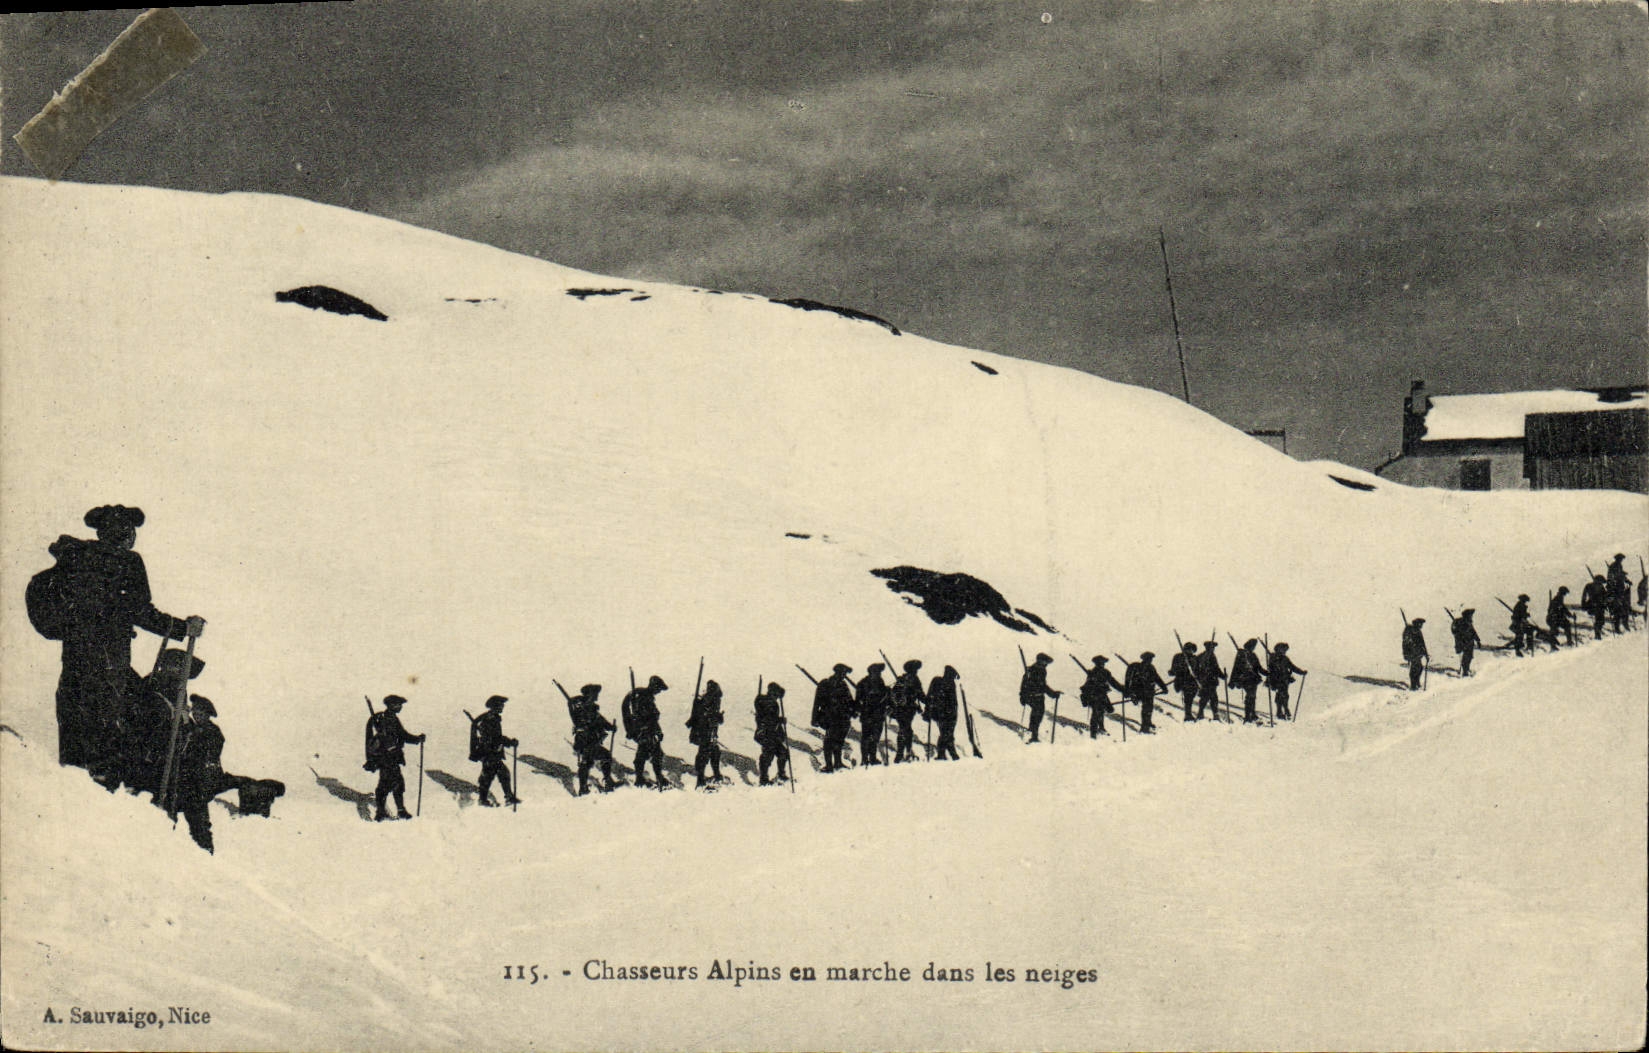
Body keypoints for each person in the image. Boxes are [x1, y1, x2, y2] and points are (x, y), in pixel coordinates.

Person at [35, 505, 204, 779]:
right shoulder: (127, 562)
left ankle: (75, 793)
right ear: (127, 535)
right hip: (108, 663)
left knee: (75, 733)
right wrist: (183, 628)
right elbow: (141, 611)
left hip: (75, 661)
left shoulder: (76, 558)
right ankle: (112, 793)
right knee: (112, 729)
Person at [117, 646, 204, 797]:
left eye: (183, 672)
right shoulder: (151, 692)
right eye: (177, 669)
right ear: (166, 667)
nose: (181, 678)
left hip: (168, 767)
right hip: (145, 764)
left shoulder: (178, 695)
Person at [173, 695, 238, 853]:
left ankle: (205, 849)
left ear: (208, 715)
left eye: (200, 713)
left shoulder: (212, 732)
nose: (196, 716)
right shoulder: (195, 729)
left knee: (198, 817)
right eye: (194, 712)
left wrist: (187, 724)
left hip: (202, 781)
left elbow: (200, 749)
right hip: (189, 780)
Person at [364, 694, 425, 821]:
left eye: (400, 705)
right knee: (385, 784)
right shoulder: (379, 719)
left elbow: (402, 735)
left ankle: (398, 810)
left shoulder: (393, 719)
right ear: (390, 705)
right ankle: (381, 812)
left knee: (397, 783)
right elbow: (371, 741)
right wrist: (373, 757)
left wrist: (417, 739)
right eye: (398, 705)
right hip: (384, 758)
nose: (400, 707)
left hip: (394, 757)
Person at [622, 676, 670, 789]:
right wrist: (633, 730)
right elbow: (646, 717)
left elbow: (652, 718)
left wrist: (658, 731)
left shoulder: (646, 697)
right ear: (654, 686)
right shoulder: (643, 697)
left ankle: (650, 778)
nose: (659, 692)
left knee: (650, 753)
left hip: (649, 731)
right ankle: (648, 778)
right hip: (645, 731)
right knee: (650, 754)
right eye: (658, 689)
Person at [470, 695, 519, 807]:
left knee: (493, 775)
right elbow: (493, 738)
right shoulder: (489, 719)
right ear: (495, 706)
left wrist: (508, 742)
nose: (503, 707)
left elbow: (497, 737)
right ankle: (505, 798)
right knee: (495, 775)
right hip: (489, 753)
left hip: (492, 753)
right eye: (501, 705)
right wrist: (510, 742)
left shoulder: (492, 718)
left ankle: (503, 798)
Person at [570, 685, 618, 795]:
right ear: (590, 695)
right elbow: (581, 721)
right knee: (600, 757)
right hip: (584, 740)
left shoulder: (591, 708)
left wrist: (610, 727)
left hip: (591, 740)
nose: (597, 696)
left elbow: (601, 720)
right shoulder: (579, 709)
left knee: (588, 761)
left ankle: (585, 788)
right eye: (595, 694)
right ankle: (606, 783)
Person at [811, 664, 857, 772]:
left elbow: (849, 700)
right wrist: (814, 718)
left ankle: (838, 762)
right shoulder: (825, 684)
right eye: (842, 673)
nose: (844, 676)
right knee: (829, 741)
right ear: (837, 672)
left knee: (839, 740)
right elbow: (817, 702)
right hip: (830, 717)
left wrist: (854, 710)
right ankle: (829, 765)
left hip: (843, 717)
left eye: (845, 674)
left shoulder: (843, 685)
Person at [686, 679, 726, 788]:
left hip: (707, 733)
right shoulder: (709, 700)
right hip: (705, 733)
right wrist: (718, 717)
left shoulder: (706, 699)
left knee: (715, 753)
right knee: (703, 755)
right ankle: (700, 781)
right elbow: (708, 717)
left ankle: (716, 776)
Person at [753, 682, 790, 785]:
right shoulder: (764, 701)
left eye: (778, 696)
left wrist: (779, 723)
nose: (777, 698)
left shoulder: (772, 702)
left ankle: (781, 775)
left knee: (783, 753)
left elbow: (772, 718)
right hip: (765, 733)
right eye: (776, 695)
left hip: (774, 734)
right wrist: (779, 720)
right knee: (768, 755)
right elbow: (767, 718)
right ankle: (764, 779)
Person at [1019, 653, 1060, 744]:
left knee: (1035, 715)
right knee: (1037, 716)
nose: (1046, 665)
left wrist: (1022, 696)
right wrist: (1053, 694)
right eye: (1045, 662)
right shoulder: (1040, 670)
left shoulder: (1030, 669)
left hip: (1031, 696)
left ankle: (1031, 731)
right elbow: (1042, 686)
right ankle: (1034, 736)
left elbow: (1023, 683)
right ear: (1041, 661)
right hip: (1037, 697)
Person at [890, 660, 926, 762]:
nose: (917, 671)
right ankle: (903, 754)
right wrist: (929, 701)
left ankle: (902, 754)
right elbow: (920, 695)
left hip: (898, 710)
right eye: (916, 669)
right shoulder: (914, 679)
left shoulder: (901, 679)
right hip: (908, 709)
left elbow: (894, 694)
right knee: (906, 730)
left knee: (905, 729)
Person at [1079, 656, 1123, 737]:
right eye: (1100, 663)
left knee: (1102, 711)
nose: (1101, 665)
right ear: (1096, 664)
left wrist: (1122, 689)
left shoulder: (1105, 672)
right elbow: (1087, 685)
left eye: (1102, 663)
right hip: (1094, 696)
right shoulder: (1093, 673)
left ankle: (1101, 728)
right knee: (1096, 713)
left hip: (1102, 695)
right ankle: (1093, 734)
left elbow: (1113, 682)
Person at [855, 663, 890, 765]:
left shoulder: (880, 682)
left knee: (876, 737)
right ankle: (864, 759)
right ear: (871, 672)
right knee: (866, 737)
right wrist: (862, 709)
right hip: (867, 715)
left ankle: (873, 758)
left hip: (879, 715)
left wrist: (887, 692)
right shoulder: (862, 683)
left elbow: (884, 698)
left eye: (879, 672)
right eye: (877, 672)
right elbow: (858, 701)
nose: (879, 674)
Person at [1124, 652, 1166, 734]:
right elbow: (1128, 680)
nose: (1150, 661)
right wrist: (1127, 691)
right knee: (1146, 709)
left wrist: (1164, 687)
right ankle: (1144, 728)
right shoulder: (1136, 667)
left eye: (1150, 659)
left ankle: (1148, 722)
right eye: (1149, 659)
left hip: (1148, 691)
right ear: (1144, 659)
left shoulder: (1150, 667)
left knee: (1149, 708)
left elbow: (1157, 678)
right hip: (1140, 691)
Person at [926, 666, 961, 760]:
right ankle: (949, 755)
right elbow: (950, 702)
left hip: (943, 715)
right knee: (946, 734)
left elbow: (930, 696)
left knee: (946, 734)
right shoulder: (947, 683)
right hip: (947, 715)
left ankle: (947, 754)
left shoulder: (938, 681)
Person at [1266, 643, 1307, 719]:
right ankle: (1281, 711)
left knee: (1285, 695)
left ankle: (1284, 709)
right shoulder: (1273, 657)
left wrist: (1301, 672)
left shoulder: (1285, 659)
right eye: (1283, 650)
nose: (1285, 651)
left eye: (1285, 650)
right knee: (1281, 695)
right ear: (1278, 649)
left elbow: (1292, 667)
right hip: (1276, 679)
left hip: (1284, 679)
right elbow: (1271, 668)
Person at [1228, 640, 1265, 723]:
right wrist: (1232, 681)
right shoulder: (1241, 654)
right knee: (1250, 696)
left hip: (1254, 679)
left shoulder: (1253, 655)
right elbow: (1236, 668)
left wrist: (1267, 673)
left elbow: (1259, 667)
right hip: (1245, 679)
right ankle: (1248, 716)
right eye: (1253, 646)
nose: (1253, 648)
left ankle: (1252, 713)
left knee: (1253, 696)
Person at [1193, 641, 1226, 722]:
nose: (1213, 649)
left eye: (1213, 648)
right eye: (1212, 648)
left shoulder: (1200, 656)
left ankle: (1202, 713)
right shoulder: (1210, 656)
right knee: (1212, 698)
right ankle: (1213, 715)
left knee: (1206, 697)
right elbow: (1216, 668)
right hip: (1210, 681)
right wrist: (1222, 676)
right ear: (1209, 648)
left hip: (1205, 681)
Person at [1167, 642, 1199, 721]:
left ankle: (1188, 714)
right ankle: (1188, 715)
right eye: (1189, 649)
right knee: (1188, 697)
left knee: (1190, 697)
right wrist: (1177, 671)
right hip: (1182, 680)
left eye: (1192, 650)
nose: (1190, 651)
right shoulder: (1178, 657)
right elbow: (1174, 669)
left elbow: (1198, 670)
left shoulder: (1194, 658)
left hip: (1192, 681)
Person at [1451, 610, 1483, 676]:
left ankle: (1466, 670)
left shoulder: (1468, 622)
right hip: (1463, 643)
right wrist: (1460, 636)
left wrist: (1478, 640)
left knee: (1469, 657)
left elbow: (1473, 632)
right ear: (1467, 616)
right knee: (1466, 658)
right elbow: (1454, 631)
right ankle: (1465, 672)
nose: (1471, 617)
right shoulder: (1459, 622)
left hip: (1469, 643)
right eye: (1470, 615)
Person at [1606, 554, 1632, 633]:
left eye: (1621, 559)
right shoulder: (1613, 566)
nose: (1621, 560)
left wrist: (1626, 580)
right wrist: (1612, 587)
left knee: (1625, 606)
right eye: (1620, 559)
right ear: (1617, 559)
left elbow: (1621, 575)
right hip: (1615, 589)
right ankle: (1617, 627)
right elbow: (1611, 578)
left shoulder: (1619, 565)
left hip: (1620, 589)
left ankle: (1625, 623)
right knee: (1617, 608)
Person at [1401, 617, 1428, 691]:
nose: (1421, 626)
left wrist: (1426, 654)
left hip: (1417, 653)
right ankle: (1413, 685)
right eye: (1421, 624)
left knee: (1419, 668)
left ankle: (1416, 682)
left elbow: (1422, 643)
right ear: (1417, 624)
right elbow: (1406, 642)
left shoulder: (1418, 631)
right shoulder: (1409, 631)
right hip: (1412, 653)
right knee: (1415, 668)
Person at [1580, 574, 1609, 640]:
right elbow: (1584, 595)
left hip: (1598, 605)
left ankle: (1598, 633)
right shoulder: (1590, 586)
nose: (1601, 583)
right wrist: (1583, 604)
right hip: (1594, 605)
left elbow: (1605, 596)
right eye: (1600, 581)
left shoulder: (1599, 586)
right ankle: (1597, 635)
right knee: (1599, 620)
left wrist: (1606, 604)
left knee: (1601, 621)